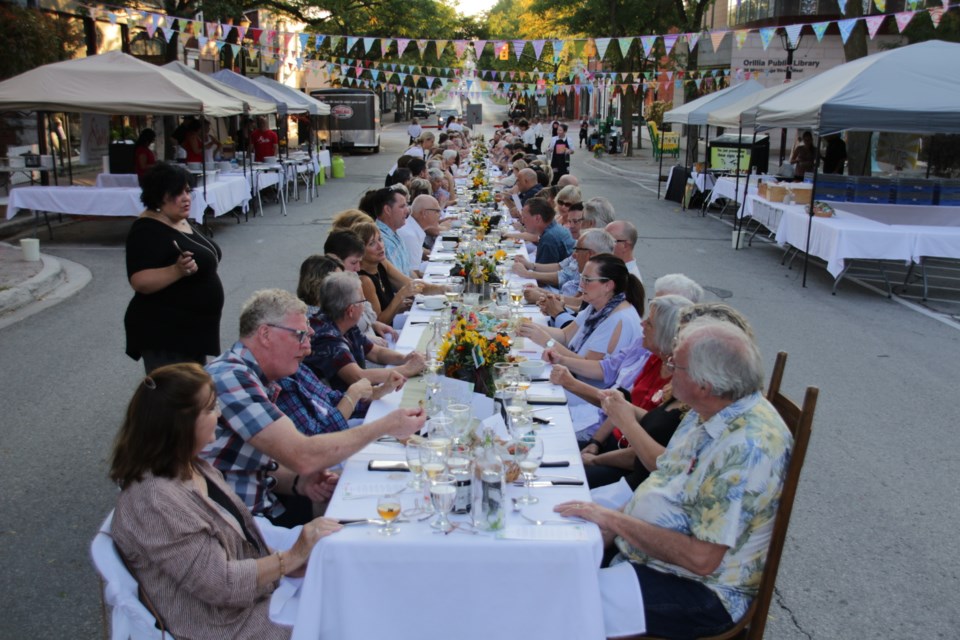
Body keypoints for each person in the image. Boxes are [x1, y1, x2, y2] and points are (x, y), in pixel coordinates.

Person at [555, 319, 792, 639]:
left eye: (674, 364)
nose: (666, 370)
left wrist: (614, 521)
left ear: (704, 383)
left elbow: (701, 559)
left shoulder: (746, 446)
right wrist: (610, 525)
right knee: (552, 554)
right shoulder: (709, 409)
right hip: (652, 558)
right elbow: (665, 477)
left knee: (560, 602)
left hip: (701, 591)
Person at [109, 363, 344, 640]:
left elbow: (239, 543)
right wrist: (290, 557)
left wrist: (292, 564)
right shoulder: (154, 501)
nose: (219, 414)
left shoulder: (193, 467)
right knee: (346, 618)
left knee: (345, 585)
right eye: (209, 408)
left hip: (251, 604)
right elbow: (221, 584)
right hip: (224, 627)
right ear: (179, 424)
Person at [202, 289, 427, 527]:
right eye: (300, 336)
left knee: (398, 496)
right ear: (265, 335)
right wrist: (387, 425)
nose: (308, 348)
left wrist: (300, 483)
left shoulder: (257, 374)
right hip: (242, 527)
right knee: (388, 518)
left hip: (269, 502)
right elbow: (303, 454)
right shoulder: (230, 378)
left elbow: (252, 461)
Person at [124, 162, 223, 373]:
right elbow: (139, 281)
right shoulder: (146, 230)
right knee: (175, 399)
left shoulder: (179, 220)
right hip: (166, 334)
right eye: (177, 193)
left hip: (192, 333)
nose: (186, 198)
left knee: (194, 397)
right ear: (159, 195)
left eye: (187, 191)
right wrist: (176, 271)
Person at [305, 271, 425, 392]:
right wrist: (407, 369)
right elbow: (358, 377)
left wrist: (405, 358)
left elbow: (375, 352)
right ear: (351, 310)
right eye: (363, 301)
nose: (365, 305)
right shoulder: (326, 338)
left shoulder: (342, 320)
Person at [519, 254, 644, 364]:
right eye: (581, 278)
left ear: (608, 285)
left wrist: (547, 342)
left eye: (587, 280)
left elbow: (587, 366)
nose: (581, 285)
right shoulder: (598, 306)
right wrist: (528, 326)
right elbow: (565, 335)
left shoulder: (617, 318)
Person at [353, 220, 423, 327]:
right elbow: (379, 322)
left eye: (380, 239)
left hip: (392, 326)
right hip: (384, 337)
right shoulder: (365, 280)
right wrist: (400, 295)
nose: (380, 246)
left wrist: (442, 289)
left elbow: (411, 284)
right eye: (372, 243)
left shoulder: (381, 263)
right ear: (360, 251)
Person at [368, 186, 414, 277]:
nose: (407, 210)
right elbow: (400, 282)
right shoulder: (382, 240)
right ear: (387, 210)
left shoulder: (393, 233)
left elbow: (408, 272)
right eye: (402, 206)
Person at [521, 197, 575, 264]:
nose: (522, 221)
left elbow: (540, 272)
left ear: (537, 218)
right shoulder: (554, 228)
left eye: (525, 217)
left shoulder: (549, 239)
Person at [399, 194, 443, 270]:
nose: (440, 215)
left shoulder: (412, 228)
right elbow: (413, 274)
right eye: (437, 211)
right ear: (424, 213)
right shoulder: (410, 236)